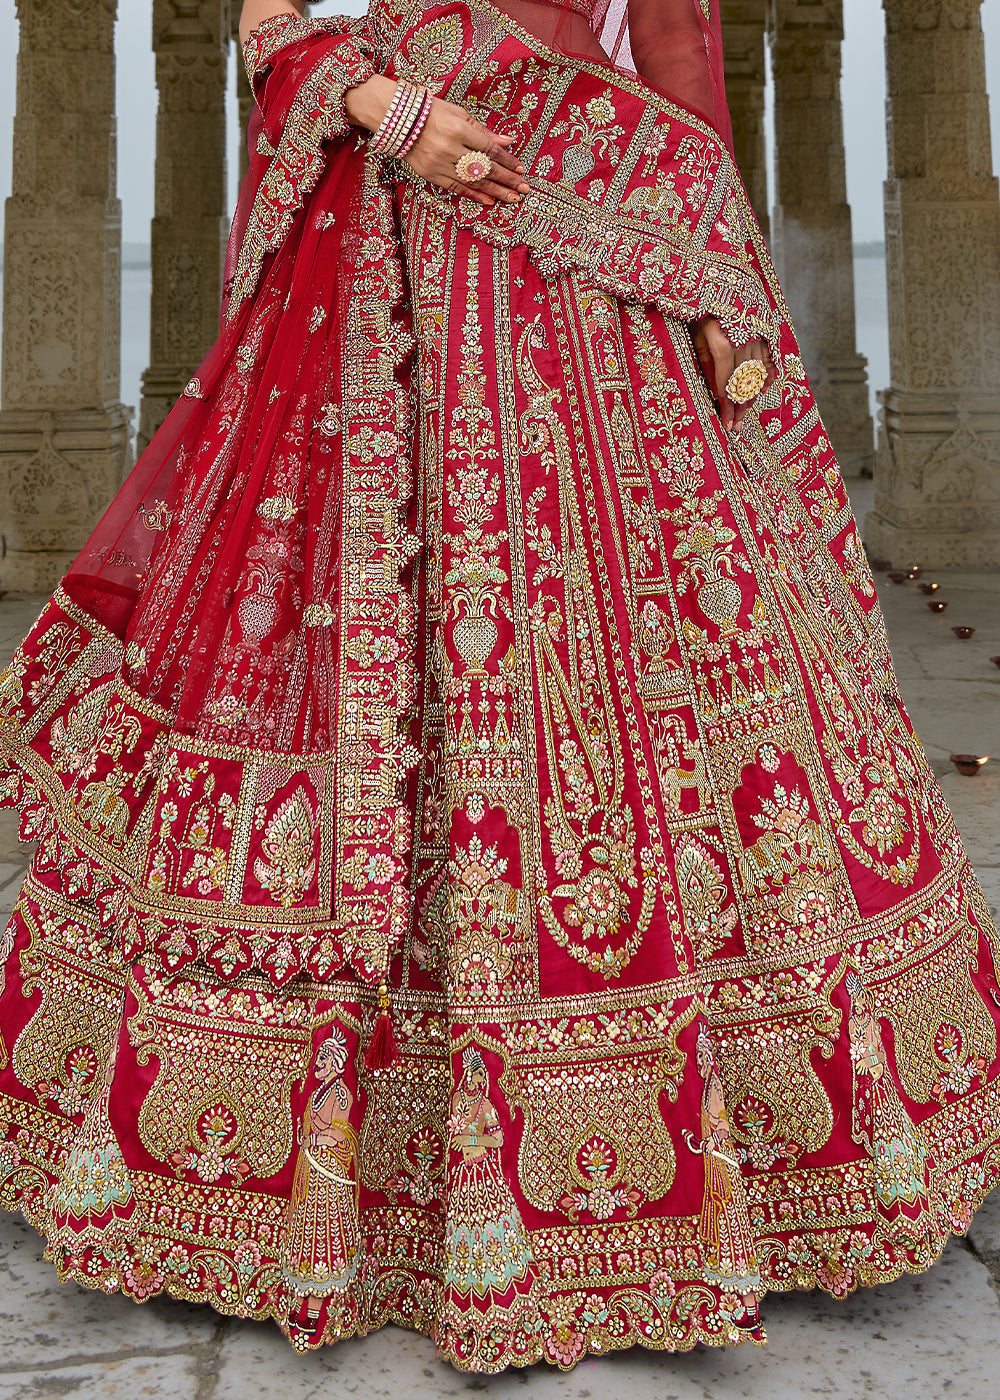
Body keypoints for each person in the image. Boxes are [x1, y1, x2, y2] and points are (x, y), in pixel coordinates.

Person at [0, 0, 998, 1374]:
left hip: (588, 259)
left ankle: (724, 1151)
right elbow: (266, 20)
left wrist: (722, 287)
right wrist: (378, 106)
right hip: (391, 264)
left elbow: (677, 56)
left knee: (653, 674)